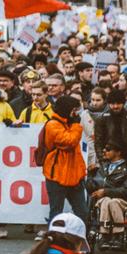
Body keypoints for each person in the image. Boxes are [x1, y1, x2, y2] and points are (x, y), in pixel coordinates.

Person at [42, 96, 88, 232]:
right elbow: (69, 142)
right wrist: (76, 125)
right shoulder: (52, 125)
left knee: (82, 212)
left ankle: (82, 242)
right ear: (67, 110)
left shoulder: (66, 123)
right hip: (57, 176)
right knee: (56, 213)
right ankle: (53, 243)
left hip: (74, 176)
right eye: (74, 110)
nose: (76, 113)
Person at [86, 141, 127, 248]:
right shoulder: (102, 168)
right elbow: (91, 188)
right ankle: (104, 235)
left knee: (112, 202)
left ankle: (118, 235)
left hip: (123, 201)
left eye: (108, 149)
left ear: (118, 152)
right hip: (104, 200)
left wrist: (106, 191)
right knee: (106, 201)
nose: (104, 151)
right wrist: (91, 174)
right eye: (104, 149)